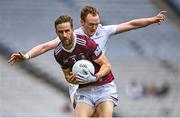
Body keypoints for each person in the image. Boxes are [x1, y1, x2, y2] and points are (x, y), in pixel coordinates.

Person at [8, 5, 167, 116]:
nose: (95, 27)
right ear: (82, 23)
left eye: (97, 23)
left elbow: (131, 24)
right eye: (91, 24)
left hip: (101, 79)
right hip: (79, 84)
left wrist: (153, 19)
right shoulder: (70, 35)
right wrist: (27, 56)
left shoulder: (103, 31)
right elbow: (45, 46)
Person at [54, 15, 118, 117]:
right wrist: (72, 79)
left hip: (104, 87)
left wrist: (95, 77)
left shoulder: (86, 43)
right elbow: (67, 76)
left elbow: (107, 65)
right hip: (84, 90)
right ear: (56, 32)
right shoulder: (58, 53)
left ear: (73, 29)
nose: (64, 35)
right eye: (61, 32)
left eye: (67, 30)